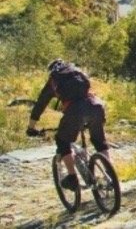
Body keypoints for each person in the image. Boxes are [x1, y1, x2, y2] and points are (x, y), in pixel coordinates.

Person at [27, 59, 110, 189]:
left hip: (75, 111)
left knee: (62, 141)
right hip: (96, 106)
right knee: (99, 141)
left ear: (52, 71)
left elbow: (40, 105)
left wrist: (31, 128)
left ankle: (72, 177)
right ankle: (110, 175)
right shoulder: (77, 72)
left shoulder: (53, 81)